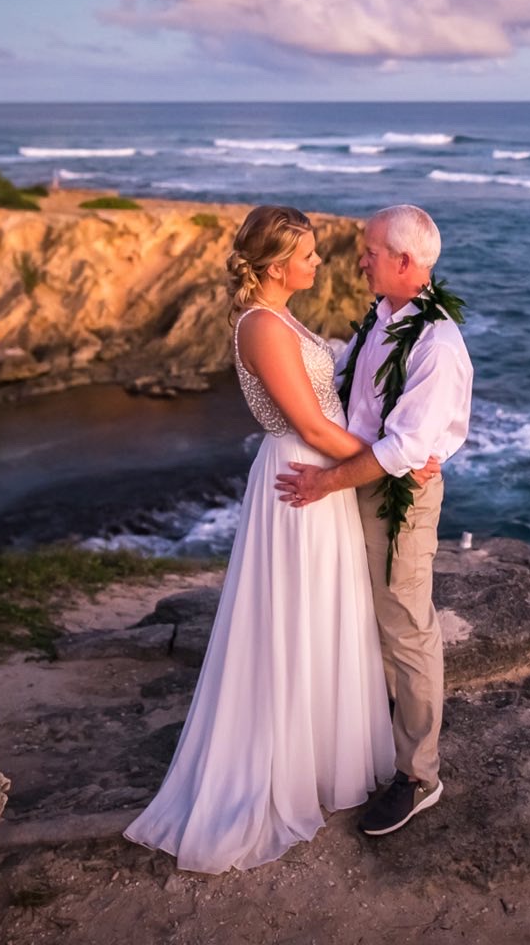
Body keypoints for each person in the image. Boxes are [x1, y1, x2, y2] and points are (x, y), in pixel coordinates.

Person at [123, 205, 436, 872]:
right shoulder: (262, 326)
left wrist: (386, 446)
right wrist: (395, 458)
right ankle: (278, 768)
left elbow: (336, 395)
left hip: (323, 478)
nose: (322, 263)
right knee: (293, 621)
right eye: (310, 255)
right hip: (302, 479)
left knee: (325, 617)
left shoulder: (282, 315)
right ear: (274, 266)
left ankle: (321, 756)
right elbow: (315, 427)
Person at [275, 204, 472, 838]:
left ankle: (418, 775)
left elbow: (402, 451)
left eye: (370, 252)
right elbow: (353, 392)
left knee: (407, 626)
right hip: (356, 481)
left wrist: (323, 480)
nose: (359, 260)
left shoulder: (437, 342)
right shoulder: (383, 317)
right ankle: (371, 742)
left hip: (398, 500)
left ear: (406, 263)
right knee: (366, 617)